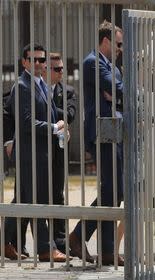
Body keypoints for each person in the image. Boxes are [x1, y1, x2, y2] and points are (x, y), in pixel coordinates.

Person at [3, 43, 69, 262]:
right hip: (29, 155)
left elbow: (49, 114)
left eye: (42, 60)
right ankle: (44, 248)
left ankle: (3, 241)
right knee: (37, 200)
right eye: (34, 60)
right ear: (24, 62)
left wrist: (59, 129)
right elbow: (26, 122)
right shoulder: (22, 86)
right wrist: (53, 127)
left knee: (24, 200)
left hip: (42, 153)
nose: (39, 64)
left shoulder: (41, 84)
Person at [69, 20, 124, 266]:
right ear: (106, 41)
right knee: (113, 188)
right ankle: (79, 235)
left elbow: (118, 91)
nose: (121, 49)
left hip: (114, 130)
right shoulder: (92, 62)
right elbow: (119, 88)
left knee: (114, 190)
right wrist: (115, 90)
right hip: (102, 132)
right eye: (119, 44)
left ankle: (108, 249)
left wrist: (116, 91)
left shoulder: (110, 66)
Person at [48, 53, 77, 253]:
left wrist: (44, 109)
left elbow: (70, 114)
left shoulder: (67, 91)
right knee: (28, 195)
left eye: (61, 69)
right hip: (36, 148)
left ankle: (59, 241)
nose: (61, 72)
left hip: (58, 150)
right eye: (56, 69)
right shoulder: (33, 89)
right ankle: (14, 241)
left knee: (57, 193)